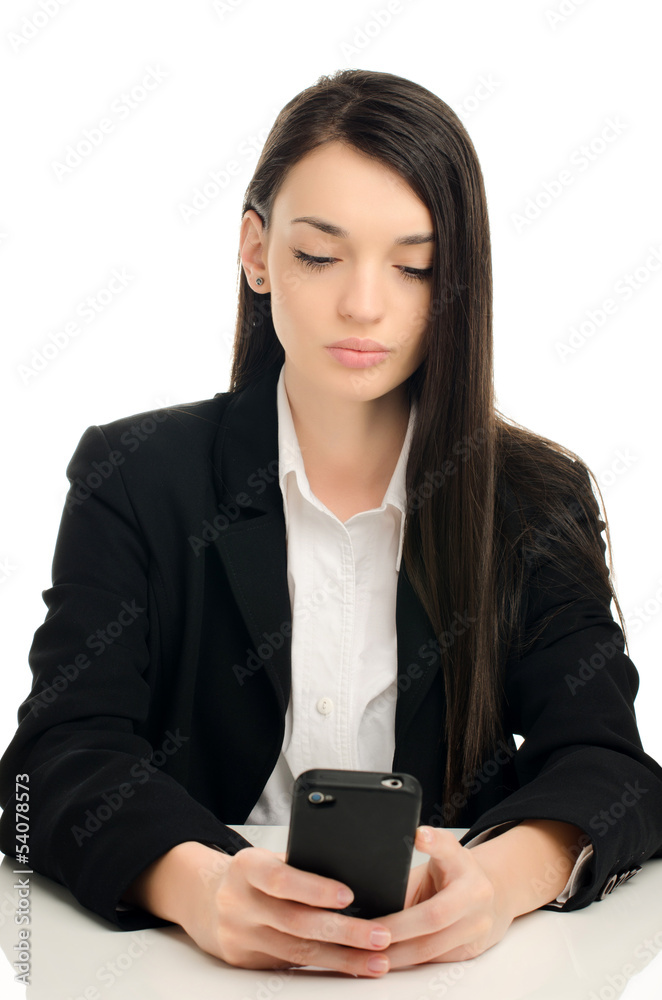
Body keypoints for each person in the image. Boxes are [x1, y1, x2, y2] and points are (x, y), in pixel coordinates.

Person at [1, 68, 661, 980]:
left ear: (457, 280)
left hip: (455, 978)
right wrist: (199, 887)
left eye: (415, 265)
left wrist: (501, 881)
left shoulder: (531, 499)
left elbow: (612, 766)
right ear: (257, 251)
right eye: (320, 256)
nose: (364, 305)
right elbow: (43, 772)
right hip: (187, 975)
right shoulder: (135, 477)